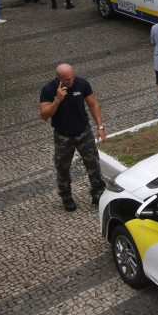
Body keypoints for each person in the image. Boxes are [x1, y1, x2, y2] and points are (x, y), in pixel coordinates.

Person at [38, 64, 107, 210]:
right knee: (63, 168)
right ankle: (66, 196)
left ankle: (98, 194)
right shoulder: (48, 89)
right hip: (63, 136)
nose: (71, 82)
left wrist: (100, 127)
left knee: (93, 165)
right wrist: (57, 100)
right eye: (67, 80)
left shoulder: (82, 84)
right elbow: (44, 115)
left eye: (72, 78)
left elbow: (93, 104)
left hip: (84, 132)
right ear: (59, 79)